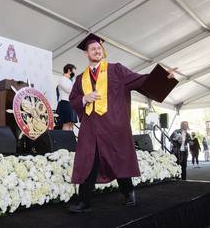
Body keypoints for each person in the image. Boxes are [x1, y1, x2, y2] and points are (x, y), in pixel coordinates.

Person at [68, 33, 177, 213]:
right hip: (90, 128)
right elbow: (73, 100)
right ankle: (84, 201)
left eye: (99, 48)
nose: (97, 50)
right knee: (89, 161)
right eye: (93, 48)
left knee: (118, 159)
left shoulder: (116, 70)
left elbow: (139, 79)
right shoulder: (80, 78)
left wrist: (164, 77)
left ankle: (128, 192)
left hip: (113, 126)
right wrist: (84, 99)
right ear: (85, 53)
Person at [56, 64, 78, 130]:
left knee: (71, 124)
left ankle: (70, 139)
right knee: (66, 123)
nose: (74, 73)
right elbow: (69, 90)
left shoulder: (71, 80)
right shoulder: (62, 79)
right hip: (65, 103)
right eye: (73, 71)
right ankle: (65, 139)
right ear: (69, 70)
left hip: (72, 103)